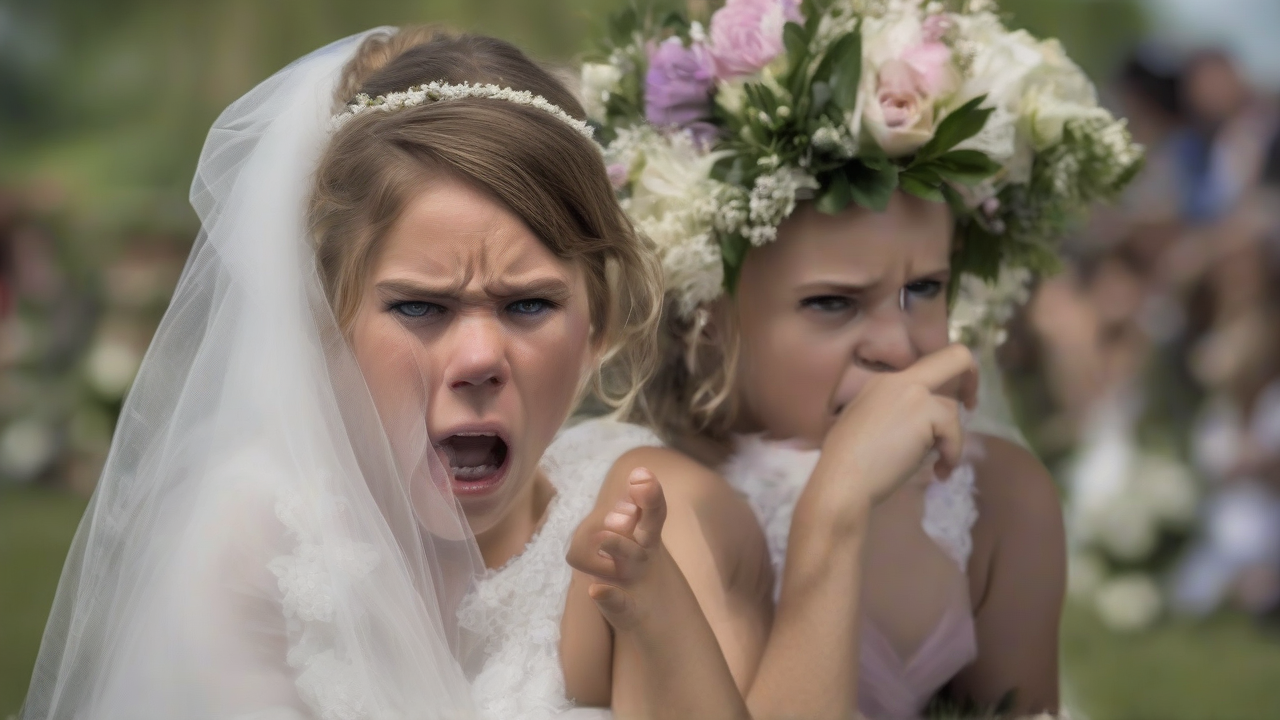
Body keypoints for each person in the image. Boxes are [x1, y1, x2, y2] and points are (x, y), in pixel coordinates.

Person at [19, 26, 767, 720]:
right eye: (419, 308)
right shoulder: (251, 553)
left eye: (530, 304)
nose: (479, 361)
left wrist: (659, 610)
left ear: (598, 325)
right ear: (322, 326)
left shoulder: (649, 526)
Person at [575, 0, 1142, 716]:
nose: (898, 348)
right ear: (706, 315)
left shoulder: (1005, 503)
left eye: (925, 289)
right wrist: (835, 512)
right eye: (833, 304)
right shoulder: (662, 507)